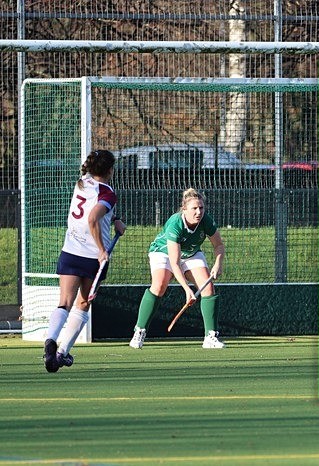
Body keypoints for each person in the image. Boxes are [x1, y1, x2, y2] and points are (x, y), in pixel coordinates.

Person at [44, 149, 127, 372]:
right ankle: (61, 352)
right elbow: (92, 218)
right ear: (110, 170)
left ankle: (50, 341)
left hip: (70, 252)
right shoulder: (108, 193)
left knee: (64, 302)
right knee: (83, 303)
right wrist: (102, 250)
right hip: (92, 258)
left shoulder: (82, 182)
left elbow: (95, 208)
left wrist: (115, 218)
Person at [128, 188, 226, 349]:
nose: (198, 212)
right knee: (159, 285)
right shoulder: (175, 224)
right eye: (194, 208)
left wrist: (218, 263)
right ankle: (139, 330)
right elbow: (174, 263)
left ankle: (211, 336)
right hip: (163, 253)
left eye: (201, 208)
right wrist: (187, 290)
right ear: (184, 209)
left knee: (208, 288)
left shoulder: (206, 221)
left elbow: (219, 245)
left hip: (191, 253)